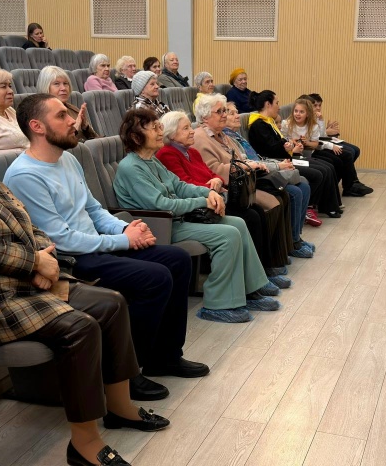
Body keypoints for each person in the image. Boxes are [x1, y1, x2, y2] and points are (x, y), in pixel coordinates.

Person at [0, 103, 169, 466]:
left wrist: (43, 258)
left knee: (111, 303)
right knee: (79, 327)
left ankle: (120, 406)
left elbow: (32, 229)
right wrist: (34, 263)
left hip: (22, 283)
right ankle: (85, 443)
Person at [3, 94, 210, 403]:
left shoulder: (68, 159)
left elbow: (94, 210)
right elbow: (61, 240)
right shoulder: (25, 175)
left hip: (97, 247)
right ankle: (126, 374)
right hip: (70, 260)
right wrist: (124, 240)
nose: (73, 121)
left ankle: (165, 356)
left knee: (177, 259)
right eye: (62, 116)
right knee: (155, 277)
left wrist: (124, 229)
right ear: (37, 126)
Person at [114, 108, 283, 323]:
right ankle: (218, 305)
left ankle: (251, 289)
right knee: (228, 235)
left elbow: (179, 186)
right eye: (154, 128)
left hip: (176, 220)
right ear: (136, 137)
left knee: (238, 223)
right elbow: (161, 205)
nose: (160, 131)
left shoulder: (151, 160)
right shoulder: (130, 167)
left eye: (159, 126)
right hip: (158, 226)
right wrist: (203, 201)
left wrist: (209, 192)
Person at [157, 110, 292, 288]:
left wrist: (217, 181)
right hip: (200, 206)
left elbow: (214, 174)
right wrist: (211, 187)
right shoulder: (167, 154)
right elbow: (183, 184)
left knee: (256, 211)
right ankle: (254, 278)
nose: (191, 131)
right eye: (186, 128)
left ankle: (263, 271)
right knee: (250, 216)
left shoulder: (192, 152)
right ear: (171, 134)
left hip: (216, 196)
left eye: (190, 127)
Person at [192, 94, 302, 261]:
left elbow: (240, 157)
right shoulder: (200, 138)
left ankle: (281, 254)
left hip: (244, 181)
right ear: (205, 117)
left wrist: (251, 164)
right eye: (219, 111)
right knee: (267, 206)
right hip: (229, 188)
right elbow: (214, 170)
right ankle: (268, 262)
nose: (224, 115)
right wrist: (246, 166)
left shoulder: (223, 135)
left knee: (283, 195)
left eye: (224, 111)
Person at [224, 101, 315, 251]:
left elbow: (258, 158)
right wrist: (278, 165)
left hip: (263, 168)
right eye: (231, 113)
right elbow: (249, 163)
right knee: (295, 192)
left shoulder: (236, 136)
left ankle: (296, 237)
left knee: (304, 184)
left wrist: (278, 163)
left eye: (236, 112)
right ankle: (292, 243)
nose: (237, 116)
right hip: (255, 175)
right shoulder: (229, 138)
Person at [248, 90, 343, 218]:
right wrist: (290, 148)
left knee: (326, 168)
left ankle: (328, 206)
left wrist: (291, 145)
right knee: (318, 174)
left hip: (288, 157)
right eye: (276, 103)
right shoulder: (259, 125)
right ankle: (308, 207)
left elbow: (279, 142)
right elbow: (271, 149)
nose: (279, 107)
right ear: (268, 104)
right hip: (279, 161)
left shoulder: (268, 122)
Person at [282, 98, 372, 197]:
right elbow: (283, 139)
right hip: (297, 154)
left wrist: (307, 142)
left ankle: (348, 186)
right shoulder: (286, 124)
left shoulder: (312, 125)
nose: (298, 114)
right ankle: (347, 187)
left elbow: (317, 141)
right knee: (335, 161)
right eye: (296, 111)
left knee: (349, 152)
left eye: (301, 112)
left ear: (307, 114)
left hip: (310, 150)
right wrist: (292, 141)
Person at [308, 93, 371, 196]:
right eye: (315, 105)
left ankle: (352, 182)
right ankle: (350, 185)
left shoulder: (317, 117)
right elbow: (317, 138)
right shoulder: (307, 118)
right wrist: (327, 132)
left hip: (324, 141)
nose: (318, 108)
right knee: (348, 153)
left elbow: (321, 134)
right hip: (318, 146)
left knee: (355, 150)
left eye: (320, 105)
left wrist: (324, 125)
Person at [37, 65, 99, 142]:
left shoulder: (73, 109)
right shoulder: (41, 114)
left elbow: (96, 139)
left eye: (66, 83)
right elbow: (53, 145)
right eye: (56, 84)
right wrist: (74, 130)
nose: (63, 88)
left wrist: (85, 127)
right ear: (45, 87)